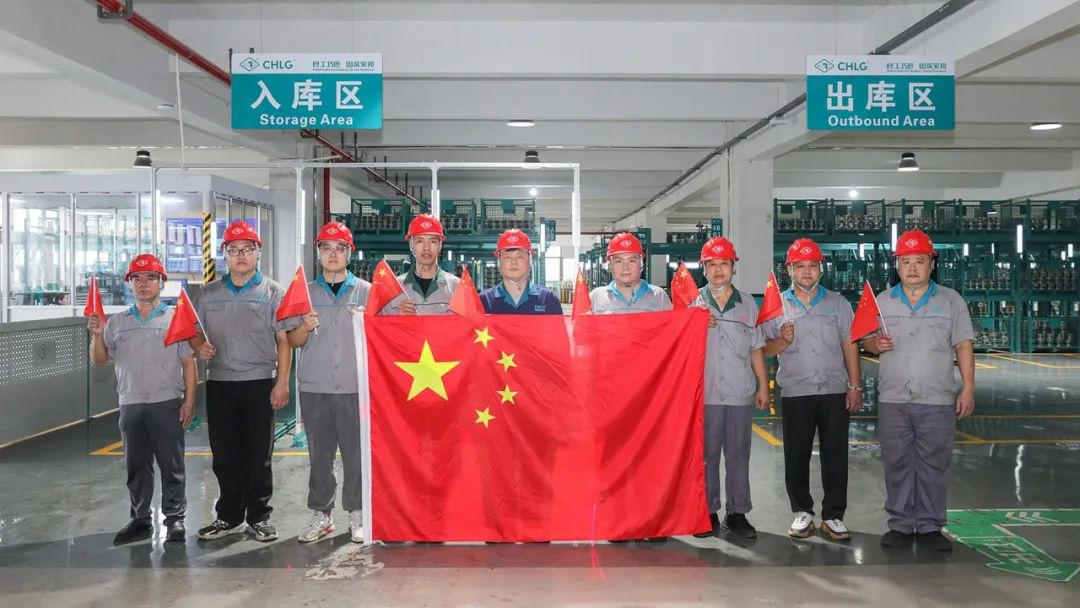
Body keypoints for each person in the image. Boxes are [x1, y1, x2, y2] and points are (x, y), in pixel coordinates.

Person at [861, 229, 975, 553]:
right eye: (906, 261)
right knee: (896, 462)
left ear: (931, 263)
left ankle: (930, 527)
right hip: (894, 398)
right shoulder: (883, 301)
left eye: (919, 261)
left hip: (936, 398)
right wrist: (874, 344)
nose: (912, 267)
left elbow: (963, 345)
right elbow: (865, 341)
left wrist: (968, 388)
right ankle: (899, 524)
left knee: (934, 463)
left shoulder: (951, 301)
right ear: (897, 265)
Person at [189, 221, 293, 542]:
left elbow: (284, 340)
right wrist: (199, 346)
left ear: (258, 253)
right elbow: (192, 332)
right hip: (220, 383)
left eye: (247, 249)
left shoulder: (274, 292)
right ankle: (228, 516)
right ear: (225, 255)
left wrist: (282, 382)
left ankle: (259, 517)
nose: (241, 255)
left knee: (258, 454)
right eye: (233, 250)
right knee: (224, 453)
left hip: (259, 382)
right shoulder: (208, 294)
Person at [88, 254, 196, 544]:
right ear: (130, 284)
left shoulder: (175, 319)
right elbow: (99, 360)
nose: (143, 283)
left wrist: (189, 401)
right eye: (137, 278)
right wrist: (97, 335)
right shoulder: (117, 323)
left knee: (172, 465)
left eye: (150, 278)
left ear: (161, 282)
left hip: (166, 402)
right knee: (136, 466)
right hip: (131, 403)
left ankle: (175, 519)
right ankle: (140, 519)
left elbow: (188, 362)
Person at [762, 238, 863, 541]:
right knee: (796, 454)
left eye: (812, 266)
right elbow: (765, 350)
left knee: (835, 454)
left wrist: (854, 385)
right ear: (789, 270)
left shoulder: (838, 303)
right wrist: (783, 340)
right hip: (796, 391)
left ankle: (833, 515)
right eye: (800, 266)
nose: (806, 272)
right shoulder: (776, 305)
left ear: (821, 268)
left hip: (834, 389)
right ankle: (802, 512)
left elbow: (849, 344)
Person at [287, 221, 369, 544]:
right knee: (319, 456)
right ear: (318, 253)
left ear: (350, 253)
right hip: (315, 388)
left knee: (355, 455)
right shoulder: (304, 293)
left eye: (340, 248)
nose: (333, 254)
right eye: (326, 248)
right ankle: (322, 514)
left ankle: (357, 513)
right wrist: (304, 327)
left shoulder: (367, 292)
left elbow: (387, 334)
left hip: (354, 387)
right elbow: (292, 340)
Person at [688, 237, 769, 540]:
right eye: (712, 264)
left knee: (738, 455)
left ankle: (737, 513)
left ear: (733, 267)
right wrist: (694, 325)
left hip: (739, 392)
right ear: (704, 268)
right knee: (706, 456)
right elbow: (677, 347)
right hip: (704, 393)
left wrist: (763, 386)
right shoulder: (691, 303)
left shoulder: (748, 304)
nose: (718, 269)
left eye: (724, 263)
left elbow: (756, 348)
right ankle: (706, 511)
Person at [384, 214, 459, 316]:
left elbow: (470, 323)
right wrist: (397, 317)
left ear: (440, 245)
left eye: (433, 241)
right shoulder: (393, 289)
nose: (426, 248)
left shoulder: (456, 287)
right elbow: (379, 324)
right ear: (411, 245)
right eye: (420, 241)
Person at [478, 229, 562, 315]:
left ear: (530, 261)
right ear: (499, 262)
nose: (514, 262)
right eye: (507, 257)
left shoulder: (548, 299)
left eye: (520, 257)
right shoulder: (483, 301)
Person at [589, 232, 671, 314]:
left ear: (641, 264)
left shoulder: (659, 296)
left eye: (632, 260)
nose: (625, 267)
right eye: (619, 261)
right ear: (611, 265)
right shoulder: (596, 298)